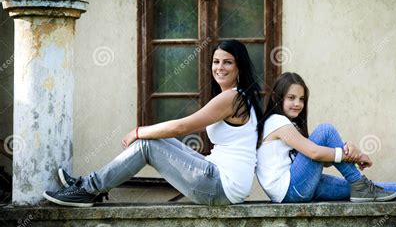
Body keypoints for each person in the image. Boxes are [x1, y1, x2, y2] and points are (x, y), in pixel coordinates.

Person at [44, 39, 263, 207]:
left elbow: (181, 127)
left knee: (147, 143)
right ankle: (87, 185)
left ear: (239, 67)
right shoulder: (241, 96)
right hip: (223, 181)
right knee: (156, 140)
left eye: (228, 62)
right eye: (216, 62)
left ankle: (86, 189)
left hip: (220, 186)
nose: (220, 67)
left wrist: (138, 131)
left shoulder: (231, 98)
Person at [256, 72, 396, 203]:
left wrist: (346, 149)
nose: (298, 103)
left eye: (302, 99)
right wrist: (350, 156)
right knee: (325, 130)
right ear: (276, 98)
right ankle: (359, 182)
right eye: (291, 98)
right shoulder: (276, 121)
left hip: (299, 186)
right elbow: (313, 152)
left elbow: (322, 161)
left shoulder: (290, 125)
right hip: (290, 190)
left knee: (367, 190)